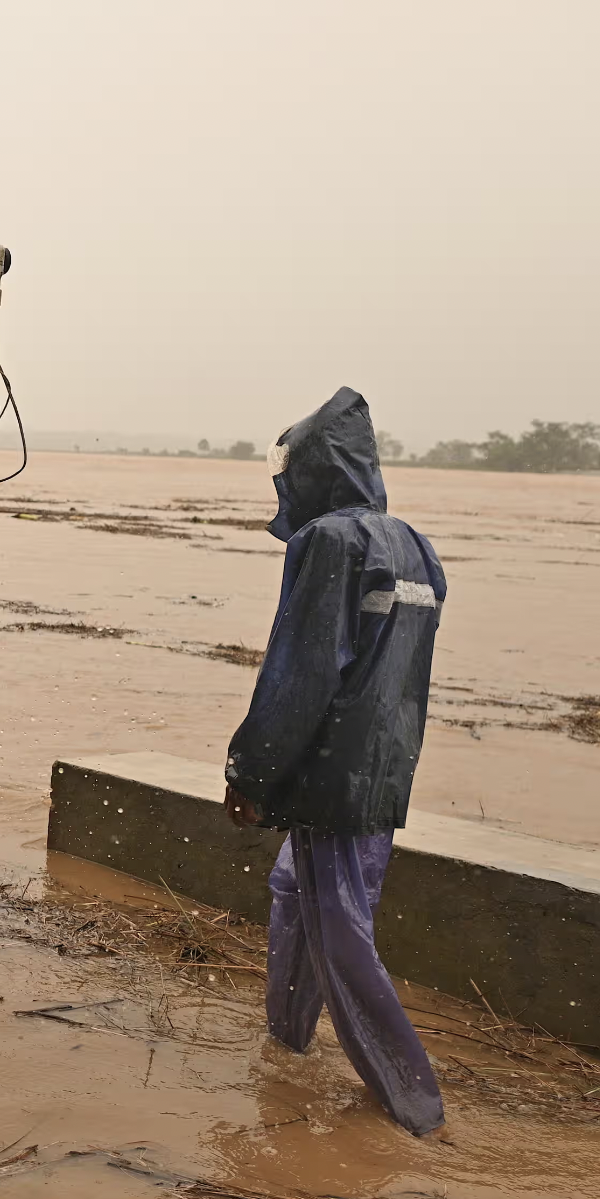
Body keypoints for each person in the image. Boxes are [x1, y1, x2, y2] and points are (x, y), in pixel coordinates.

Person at [222, 386, 447, 1137]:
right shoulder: (413, 544)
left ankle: (412, 1102)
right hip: (384, 769)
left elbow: (301, 669)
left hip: (329, 775)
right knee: (295, 893)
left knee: (339, 930)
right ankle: (285, 1039)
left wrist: (249, 774)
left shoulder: (326, 542)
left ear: (315, 471)